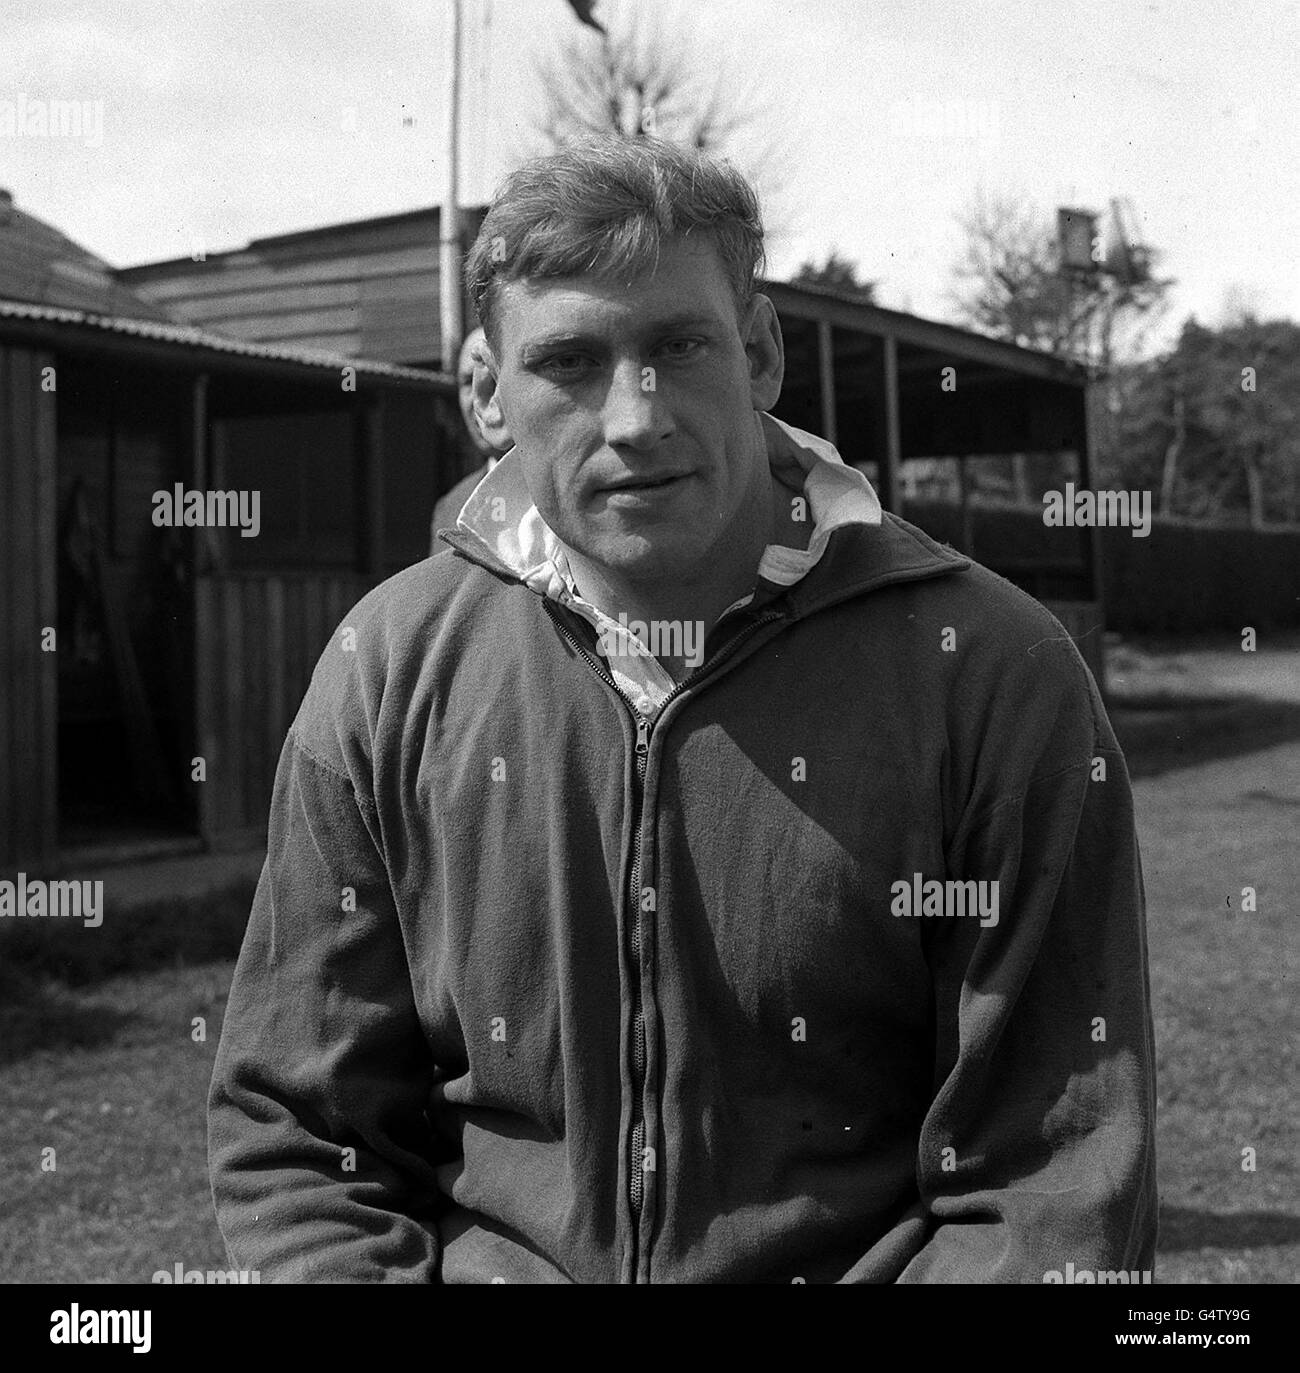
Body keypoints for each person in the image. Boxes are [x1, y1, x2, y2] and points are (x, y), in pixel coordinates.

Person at [208, 136, 1158, 1284]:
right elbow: (302, 1136)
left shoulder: (995, 674)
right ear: (489, 393)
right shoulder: (386, 667)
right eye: (566, 361)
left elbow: (1048, 1187)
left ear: (757, 352)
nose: (633, 418)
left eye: (678, 345)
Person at [429, 327, 507, 557]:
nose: (476, 399)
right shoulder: (452, 506)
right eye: (466, 382)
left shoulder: (560, 490)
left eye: (490, 378)